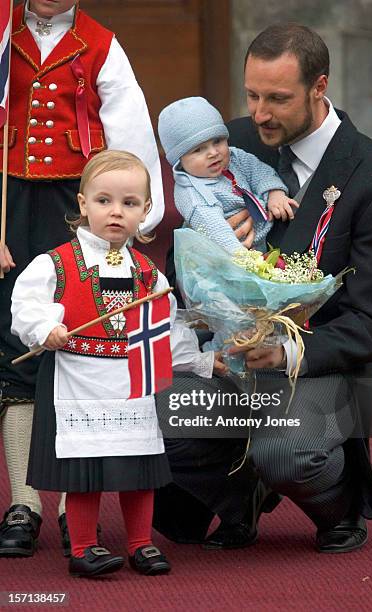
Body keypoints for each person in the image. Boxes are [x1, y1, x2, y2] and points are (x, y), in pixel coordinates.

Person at [155, 23, 372, 553]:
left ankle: (338, 508)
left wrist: (285, 350)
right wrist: (211, 256)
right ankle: (238, 497)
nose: (259, 113)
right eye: (251, 95)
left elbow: (370, 325)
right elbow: (181, 265)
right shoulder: (230, 143)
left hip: (318, 366)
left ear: (320, 87)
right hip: (228, 351)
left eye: (277, 98)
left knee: (286, 451)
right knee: (149, 417)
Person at [0, 0, 164, 558]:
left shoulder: (101, 44)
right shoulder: (1, 26)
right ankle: (24, 500)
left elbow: (131, 130)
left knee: (83, 348)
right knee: (12, 348)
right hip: (5, 200)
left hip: (74, 201)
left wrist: (143, 210)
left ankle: (77, 507)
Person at [10, 150, 220, 577]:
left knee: (139, 466)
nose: (115, 212)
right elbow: (25, 305)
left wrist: (202, 361)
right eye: (104, 200)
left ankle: (141, 544)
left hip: (130, 382)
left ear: (145, 211)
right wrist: (45, 328)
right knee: (85, 469)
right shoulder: (54, 264)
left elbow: (166, 331)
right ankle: (84, 548)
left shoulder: (149, 274)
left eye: (129, 203)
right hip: (77, 381)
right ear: (83, 203)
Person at [158, 96, 298, 254]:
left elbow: (260, 172)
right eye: (198, 149)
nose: (213, 152)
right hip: (227, 260)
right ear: (180, 160)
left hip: (264, 242)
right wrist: (243, 259)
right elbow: (216, 231)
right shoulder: (192, 193)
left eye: (217, 141)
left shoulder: (234, 157)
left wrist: (275, 193)